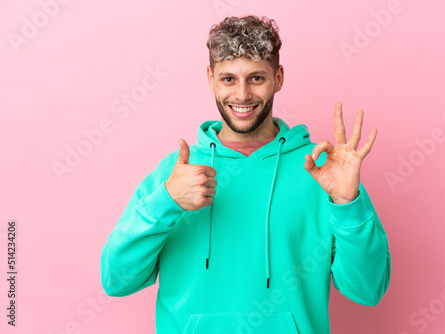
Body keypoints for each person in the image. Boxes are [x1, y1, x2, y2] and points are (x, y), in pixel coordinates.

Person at [100, 15, 391, 334]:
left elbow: (367, 291)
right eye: (228, 79)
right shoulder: (174, 174)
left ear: (278, 78)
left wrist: (348, 204)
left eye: (256, 78)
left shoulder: (322, 172)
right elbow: (117, 281)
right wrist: (166, 202)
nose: (242, 95)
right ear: (210, 78)